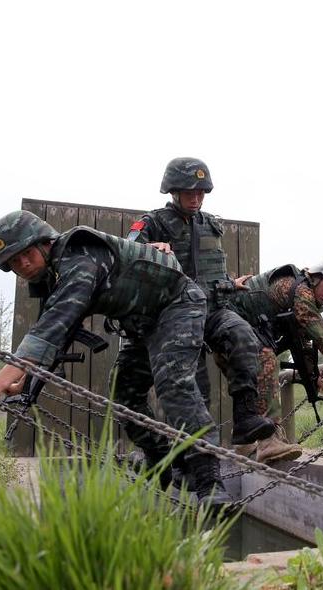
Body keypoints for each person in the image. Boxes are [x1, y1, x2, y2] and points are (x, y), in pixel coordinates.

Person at [0, 210, 232, 509]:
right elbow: (55, 335)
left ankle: (209, 481)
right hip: (141, 323)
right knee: (123, 391)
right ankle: (161, 460)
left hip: (178, 306)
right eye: (13, 262)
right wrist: (21, 382)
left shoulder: (79, 256)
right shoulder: (55, 275)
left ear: (45, 242)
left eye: (26, 253)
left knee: (173, 382)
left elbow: (54, 323)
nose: (23, 264)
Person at [125, 157, 276, 453]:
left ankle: (246, 418)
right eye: (189, 193)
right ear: (173, 191)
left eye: (201, 193)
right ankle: (189, 457)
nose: (196, 199)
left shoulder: (210, 225)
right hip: (177, 316)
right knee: (195, 387)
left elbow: (207, 272)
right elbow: (127, 249)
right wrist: (149, 247)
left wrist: (231, 283)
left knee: (244, 337)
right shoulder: (152, 222)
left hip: (214, 309)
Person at [226, 257, 323, 462]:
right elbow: (321, 334)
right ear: (317, 277)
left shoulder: (301, 294)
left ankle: (245, 444)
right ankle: (268, 441)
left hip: (233, 333)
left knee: (248, 382)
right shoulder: (300, 292)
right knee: (267, 361)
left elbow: (301, 341)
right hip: (228, 326)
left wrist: (312, 374)